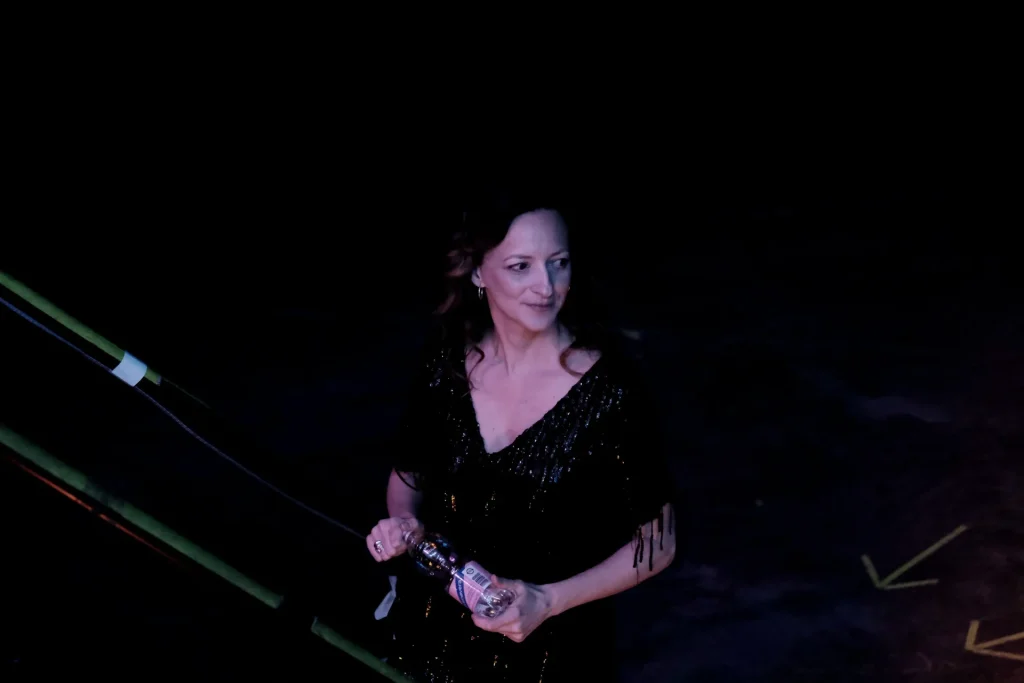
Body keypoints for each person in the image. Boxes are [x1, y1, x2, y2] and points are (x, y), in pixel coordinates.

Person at [366, 191, 677, 682]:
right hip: (428, 642)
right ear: (477, 272)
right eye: (520, 267)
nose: (546, 286)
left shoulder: (612, 391)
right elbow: (407, 479)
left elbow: (658, 544)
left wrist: (548, 600)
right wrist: (403, 526)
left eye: (559, 263)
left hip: (552, 658)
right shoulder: (447, 362)